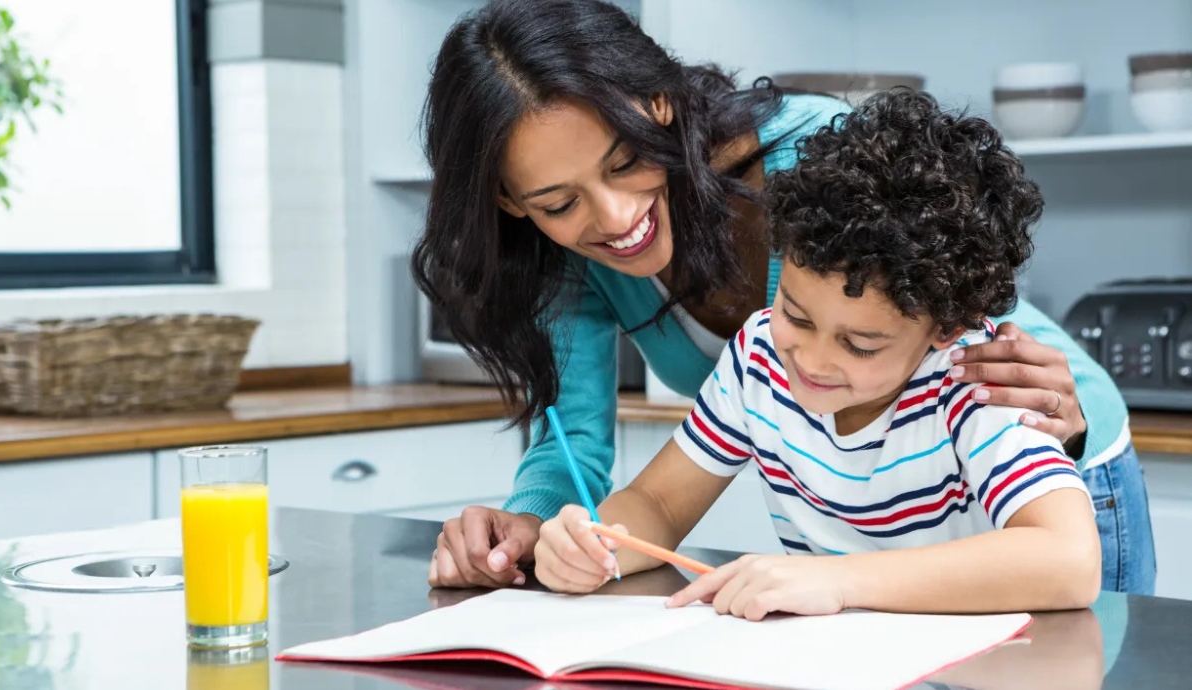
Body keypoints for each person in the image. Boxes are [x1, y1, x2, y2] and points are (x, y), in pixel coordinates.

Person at [412, 0, 1154, 593]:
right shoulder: (761, 357)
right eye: (556, 201)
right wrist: (544, 537)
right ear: (511, 202)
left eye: (626, 161)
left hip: (1038, 449)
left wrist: (837, 581)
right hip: (869, 522)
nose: (611, 219)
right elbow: (597, 462)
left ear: (660, 108)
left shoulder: (828, 174)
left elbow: (946, 302)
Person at [535, 91, 1101, 616]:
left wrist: (836, 579)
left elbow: (1069, 561)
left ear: (946, 329)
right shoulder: (758, 357)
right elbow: (657, 502)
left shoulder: (975, 384)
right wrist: (594, 540)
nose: (811, 359)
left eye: (860, 343)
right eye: (796, 315)